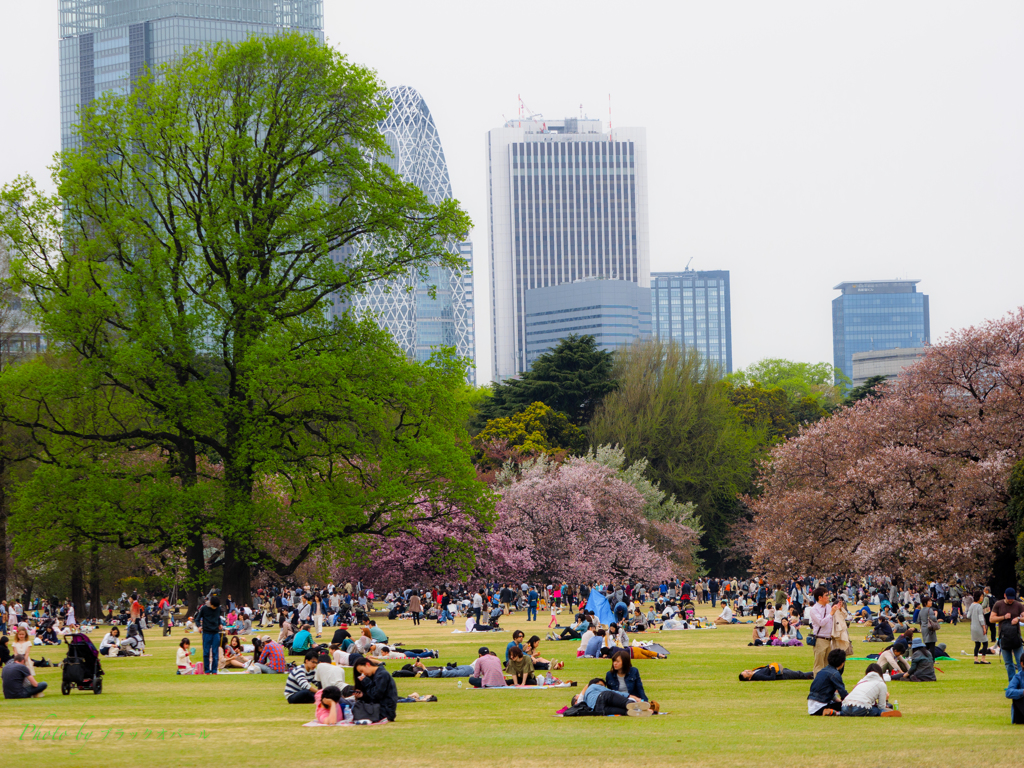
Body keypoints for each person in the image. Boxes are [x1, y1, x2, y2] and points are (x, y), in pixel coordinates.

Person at [990, 588, 1023, 682]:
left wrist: (1018, 619)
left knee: (1021, 662)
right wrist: (1004, 617)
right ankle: (1012, 683)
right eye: (1009, 598)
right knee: (1008, 663)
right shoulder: (998, 604)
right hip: (1003, 637)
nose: (1011, 600)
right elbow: (991, 619)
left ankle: (1022, 683)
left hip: (1016, 637)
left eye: (1012, 598)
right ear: (1005, 595)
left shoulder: (1018, 605)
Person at [571, 677, 652, 716]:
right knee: (625, 703)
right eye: (601, 685)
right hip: (603, 697)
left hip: (599, 709)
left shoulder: (584, 703)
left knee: (624, 711)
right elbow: (611, 692)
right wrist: (631, 696)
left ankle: (636, 712)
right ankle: (642, 708)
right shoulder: (591, 687)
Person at [352, 656, 398, 722]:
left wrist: (366, 682)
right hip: (380, 709)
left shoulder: (382, 675)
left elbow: (376, 695)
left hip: (384, 712)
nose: (363, 674)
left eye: (362, 671)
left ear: (367, 664)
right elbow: (373, 696)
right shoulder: (377, 675)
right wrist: (362, 695)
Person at [807, 648, 848, 716]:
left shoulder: (822, 671)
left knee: (840, 704)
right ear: (842, 663)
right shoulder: (835, 674)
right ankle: (829, 711)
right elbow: (843, 693)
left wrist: (839, 701)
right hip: (821, 706)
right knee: (849, 707)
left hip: (812, 706)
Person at [809, 587, 840, 675]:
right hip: (820, 639)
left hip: (830, 639)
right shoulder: (814, 609)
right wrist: (831, 613)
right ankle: (818, 686)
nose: (828, 597)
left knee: (829, 665)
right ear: (820, 597)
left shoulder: (829, 606)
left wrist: (837, 610)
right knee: (819, 665)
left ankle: (827, 686)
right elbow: (821, 622)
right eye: (826, 595)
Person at [195, 595, 222, 675]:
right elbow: (197, 619)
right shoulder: (204, 608)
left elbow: (218, 618)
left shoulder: (218, 608)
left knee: (215, 653)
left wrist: (219, 624)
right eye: (214, 606)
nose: (215, 608)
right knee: (206, 652)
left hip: (215, 633)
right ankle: (207, 670)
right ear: (210, 603)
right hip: (206, 633)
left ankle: (214, 670)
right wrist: (199, 626)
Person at [965, 590, 991, 664]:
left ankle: (976, 659)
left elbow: (968, 616)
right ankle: (983, 659)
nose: (982, 598)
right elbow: (981, 618)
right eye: (981, 596)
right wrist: (984, 627)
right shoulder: (979, 606)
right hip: (979, 627)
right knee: (985, 642)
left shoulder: (971, 605)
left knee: (977, 644)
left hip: (973, 627)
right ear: (978, 597)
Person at [739, 662, 813, 681]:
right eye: (747, 673)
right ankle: (817, 674)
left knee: (799, 673)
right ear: (749, 678)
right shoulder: (757, 676)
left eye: (746, 670)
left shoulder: (754, 671)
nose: (748, 671)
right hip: (782, 675)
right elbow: (771, 678)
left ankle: (816, 674)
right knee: (800, 674)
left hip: (781, 671)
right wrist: (773, 669)